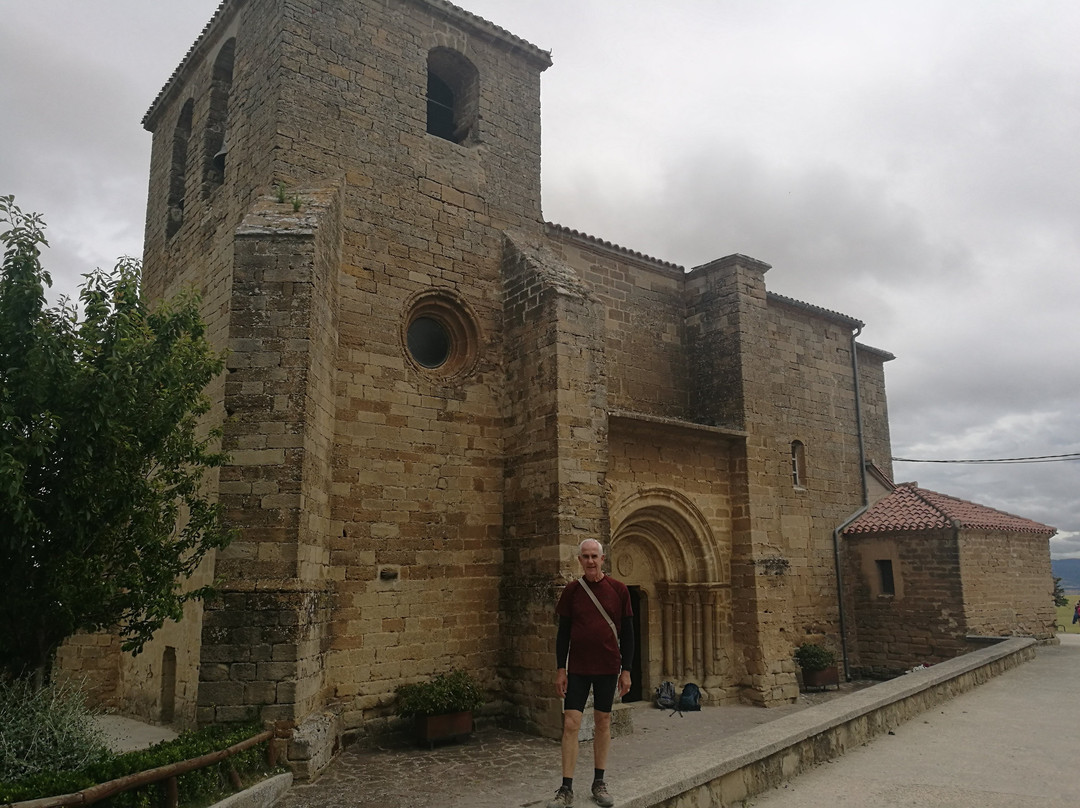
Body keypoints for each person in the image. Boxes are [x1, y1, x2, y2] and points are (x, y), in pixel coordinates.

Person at [547, 539, 634, 808]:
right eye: (585, 556)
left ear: (603, 559)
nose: (590, 561)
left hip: (608, 667)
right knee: (571, 723)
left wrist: (627, 671)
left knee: (603, 722)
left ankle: (599, 782)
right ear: (579, 560)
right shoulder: (572, 591)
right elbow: (563, 634)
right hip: (579, 668)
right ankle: (566, 787)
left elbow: (629, 634)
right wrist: (561, 668)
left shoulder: (619, 590)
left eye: (594, 556)